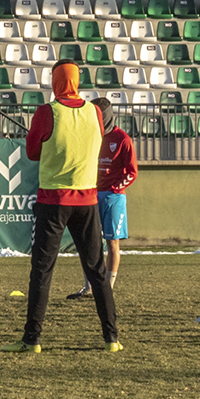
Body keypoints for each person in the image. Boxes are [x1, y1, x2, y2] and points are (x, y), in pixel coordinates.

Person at [2, 60, 121, 353]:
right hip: (88, 200)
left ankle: (32, 339)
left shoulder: (47, 112)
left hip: (53, 200)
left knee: (42, 271)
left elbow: (32, 152)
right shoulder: (94, 111)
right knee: (97, 270)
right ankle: (112, 338)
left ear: (55, 82)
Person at [67, 98, 138, 299]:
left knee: (112, 242)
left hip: (114, 198)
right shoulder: (90, 136)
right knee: (89, 242)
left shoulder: (122, 139)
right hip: (90, 194)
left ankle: (108, 287)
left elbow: (132, 172)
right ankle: (88, 286)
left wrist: (116, 188)